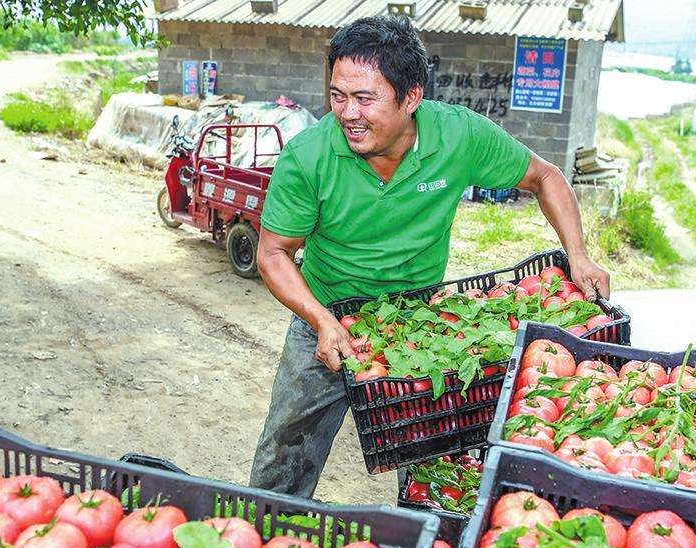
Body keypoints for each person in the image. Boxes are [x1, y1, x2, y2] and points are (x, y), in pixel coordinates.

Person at [249, 14, 610, 498]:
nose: (347, 113)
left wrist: (579, 256)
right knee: (286, 449)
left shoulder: (456, 136)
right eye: (337, 95)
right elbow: (274, 253)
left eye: (365, 98)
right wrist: (319, 320)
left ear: (411, 98)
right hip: (329, 315)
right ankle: (267, 530)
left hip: (420, 323)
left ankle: (423, 546)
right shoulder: (307, 157)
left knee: (432, 463)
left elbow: (545, 177)